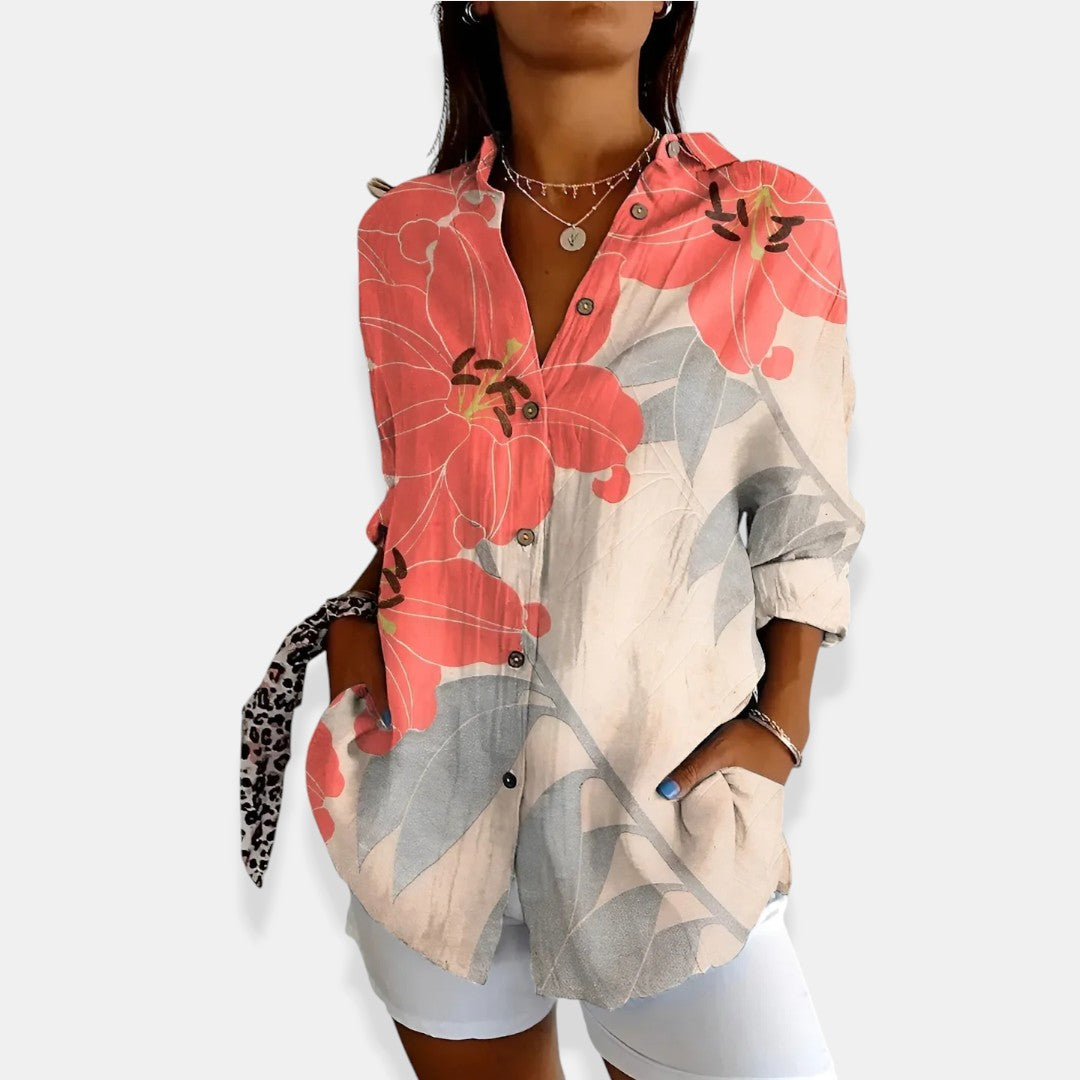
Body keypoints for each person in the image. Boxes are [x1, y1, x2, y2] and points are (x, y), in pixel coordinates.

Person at [242, 3, 864, 1078]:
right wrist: (355, 661)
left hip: (664, 827)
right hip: (429, 818)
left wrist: (784, 721)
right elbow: (427, 493)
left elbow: (803, 513)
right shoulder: (404, 240)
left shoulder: (769, 222)